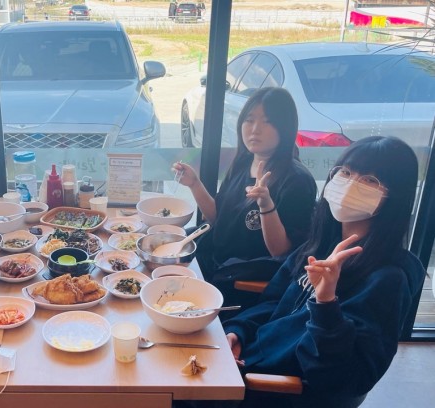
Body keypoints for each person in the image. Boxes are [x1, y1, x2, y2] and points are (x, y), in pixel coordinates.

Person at [224, 136, 424, 407]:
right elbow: (273, 303)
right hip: (249, 358)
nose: (351, 184)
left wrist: (326, 302)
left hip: (271, 388)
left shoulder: (388, 280)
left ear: (394, 196)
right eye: (346, 172)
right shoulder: (319, 245)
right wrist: (238, 331)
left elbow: (345, 379)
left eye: (369, 180)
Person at [173, 87, 316, 308]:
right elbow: (218, 218)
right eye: (249, 120)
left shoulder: (296, 180)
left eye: (267, 122)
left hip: (239, 282)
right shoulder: (243, 162)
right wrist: (194, 184)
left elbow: (281, 252)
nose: (255, 129)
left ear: (285, 128)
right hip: (214, 261)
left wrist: (266, 205)